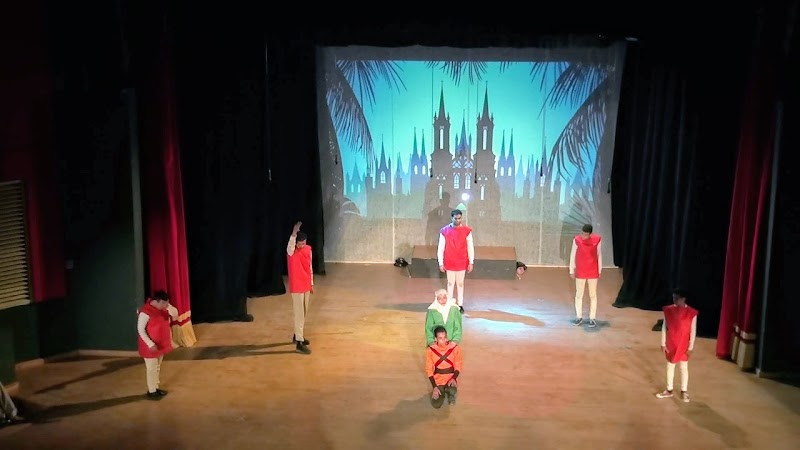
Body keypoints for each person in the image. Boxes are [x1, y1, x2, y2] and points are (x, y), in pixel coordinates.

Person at [655, 289, 698, 403]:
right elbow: (664, 327)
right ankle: (669, 389)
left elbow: (693, 331)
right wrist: (663, 343)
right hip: (672, 342)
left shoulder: (691, 313)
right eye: (673, 298)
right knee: (670, 366)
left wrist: (690, 347)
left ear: (683, 299)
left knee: (683, 367)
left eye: (676, 298)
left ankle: (684, 390)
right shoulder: (669, 310)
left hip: (684, 344)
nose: (674, 300)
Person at [137, 290, 178, 400]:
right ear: (157, 301)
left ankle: (155, 387)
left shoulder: (163, 308)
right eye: (164, 303)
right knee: (151, 369)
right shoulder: (145, 312)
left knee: (157, 367)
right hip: (150, 347)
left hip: (161, 344)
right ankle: (151, 391)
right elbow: (141, 330)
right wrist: (150, 344)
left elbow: (175, 315)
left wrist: (168, 306)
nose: (165, 306)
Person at [437, 209, 474, 313]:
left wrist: (471, 262)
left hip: (461, 261)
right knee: (450, 283)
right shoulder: (444, 231)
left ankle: (460, 304)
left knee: (460, 283)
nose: (458, 220)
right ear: (451, 218)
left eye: (459, 218)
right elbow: (441, 248)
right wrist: (441, 263)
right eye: (456, 218)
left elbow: (470, 247)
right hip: (449, 261)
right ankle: (450, 304)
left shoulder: (467, 231)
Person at [287, 221, 313, 355]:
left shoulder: (308, 249)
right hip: (297, 285)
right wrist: (293, 233)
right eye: (299, 243)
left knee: (304, 311)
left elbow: (310, 266)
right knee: (299, 313)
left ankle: (298, 334)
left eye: (303, 243)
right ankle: (299, 342)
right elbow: (291, 243)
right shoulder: (291, 251)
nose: (301, 246)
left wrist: (311, 283)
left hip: (306, 284)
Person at [569, 223, 602, 327]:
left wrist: (599, 270)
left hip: (593, 270)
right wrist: (571, 270)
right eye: (582, 233)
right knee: (579, 294)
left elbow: (599, 255)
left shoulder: (597, 240)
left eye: (586, 234)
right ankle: (579, 317)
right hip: (580, 270)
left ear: (590, 234)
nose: (583, 236)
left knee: (593, 295)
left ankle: (592, 318)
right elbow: (572, 255)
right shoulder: (577, 240)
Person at [426, 326, 462, 409]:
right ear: (435, 339)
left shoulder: (455, 348)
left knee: (452, 390)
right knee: (436, 404)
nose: (443, 340)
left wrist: (454, 378)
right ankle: (442, 391)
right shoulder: (430, 350)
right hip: (438, 380)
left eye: (445, 337)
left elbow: (458, 364)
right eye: (440, 338)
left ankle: (450, 394)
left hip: (450, 378)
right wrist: (434, 387)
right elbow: (429, 369)